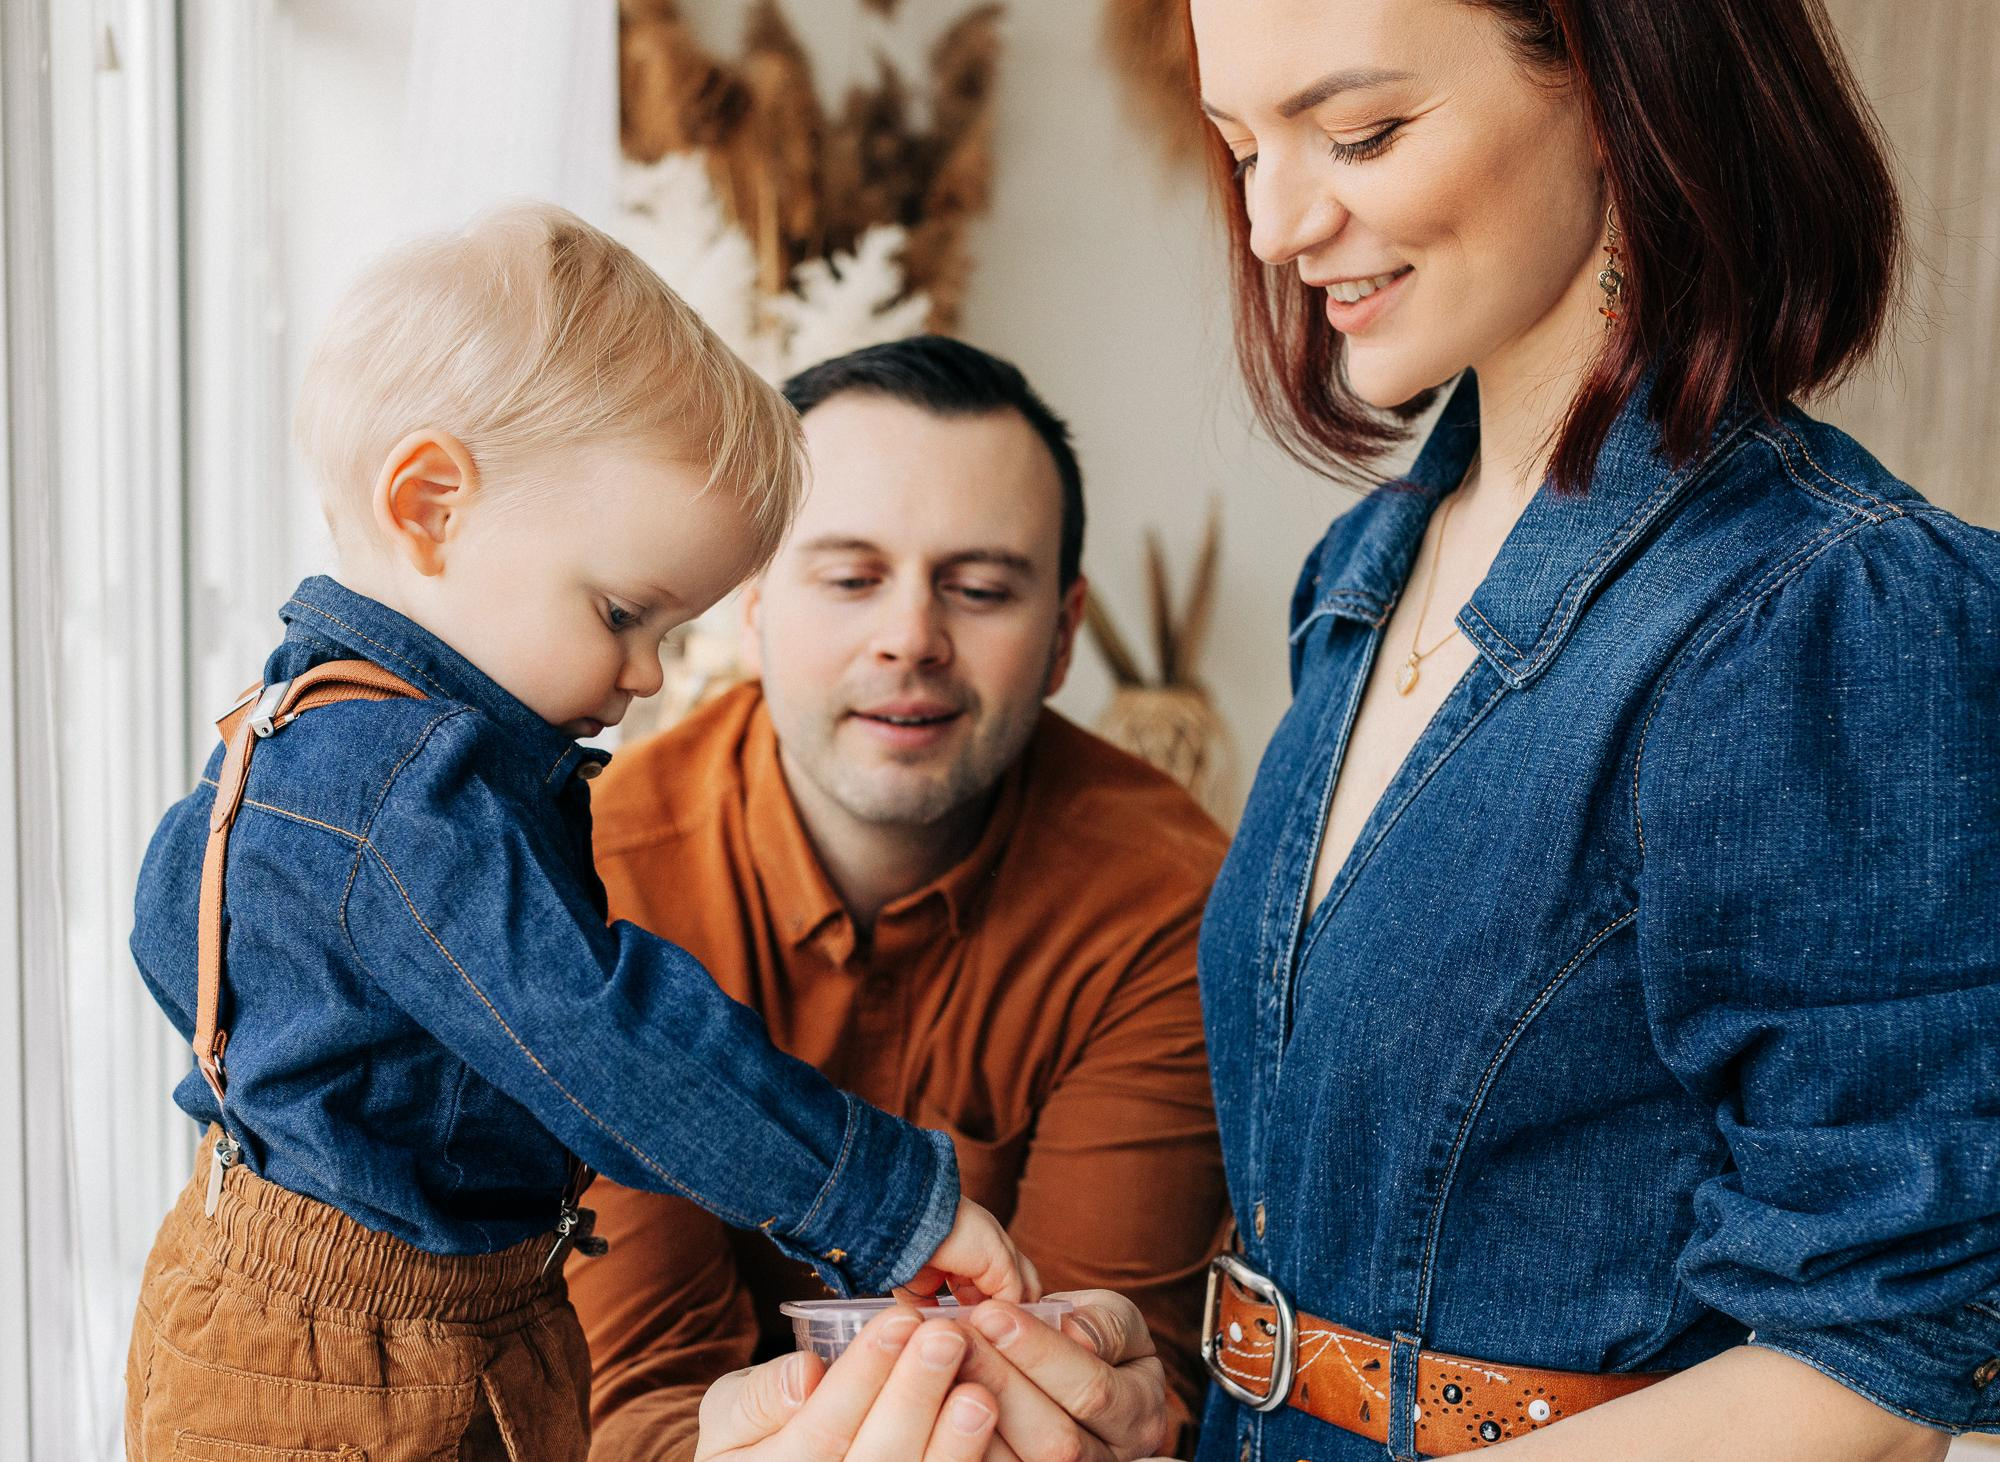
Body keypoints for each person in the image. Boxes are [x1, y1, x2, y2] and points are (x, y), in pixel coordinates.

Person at [1186, 0, 2000, 1459]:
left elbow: (1875, 1366)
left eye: (1359, 133)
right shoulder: (1364, 571)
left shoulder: (1826, 608)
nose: (1274, 223)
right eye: (1241, 148)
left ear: (1624, 90)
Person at [123, 206, 1028, 1462]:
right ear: (430, 505)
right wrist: (886, 1201)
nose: (648, 674)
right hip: (349, 1370)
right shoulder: (400, 793)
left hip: (387, 1304)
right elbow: (605, 1038)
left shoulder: (287, 733)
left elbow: (169, 929)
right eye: (622, 611)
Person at [568, 336, 1233, 1461]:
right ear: (753, 607)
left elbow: (1096, 1387)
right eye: (848, 576)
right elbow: (632, 1401)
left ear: (1064, 634)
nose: (911, 640)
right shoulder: (591, 876)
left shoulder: (1170, 902)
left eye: (978, 589)